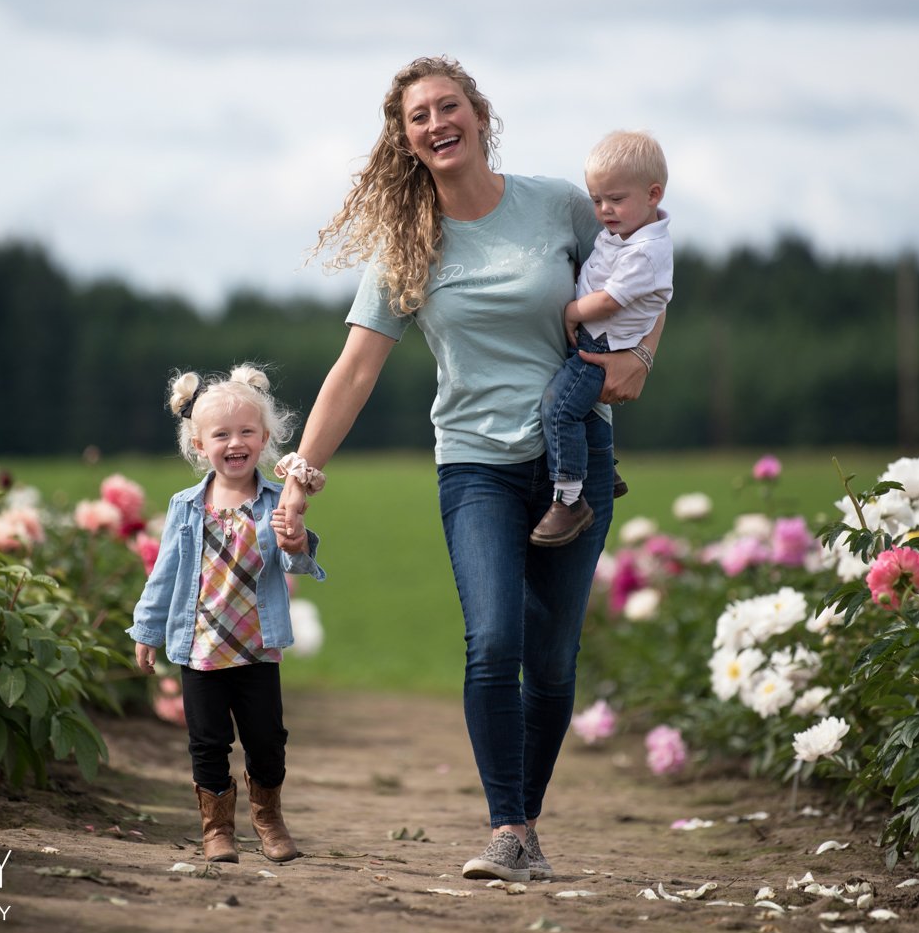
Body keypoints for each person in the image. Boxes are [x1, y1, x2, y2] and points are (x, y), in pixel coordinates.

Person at [274, 56, 664, 882]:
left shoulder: (557, 202)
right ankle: (510, 826)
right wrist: (300, 472)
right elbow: (354, 370)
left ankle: (525, 822)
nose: (436, 123)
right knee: (494, 639)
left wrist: (640, 360)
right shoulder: (408, 245)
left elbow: (645, 274)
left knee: (553, 660)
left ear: (479, 114)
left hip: (577, 457)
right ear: (406, 139)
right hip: (476, 467)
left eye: (448, 106)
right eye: (418, 117)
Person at [128, 364, 325, 866]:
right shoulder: (187, 507)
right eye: (221, 435)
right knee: (208, 743)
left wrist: (297, 540)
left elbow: (296, 559)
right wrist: (147, 631)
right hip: (199, 649)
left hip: (257, 646)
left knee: (267, 740)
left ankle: (268, 818)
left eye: (246, 432)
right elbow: (165, 573)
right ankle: (216, 829)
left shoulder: (280, 500)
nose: (234, 443)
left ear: (264, 439)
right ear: (199, 445)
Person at [530, 129, 673, 547]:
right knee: (582, 408)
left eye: (615, 199)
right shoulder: (628, 233)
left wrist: (571, 311)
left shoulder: (646, 252)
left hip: (601, 348)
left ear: (653, 194)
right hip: (599, 340)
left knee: (559, 409)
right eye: (597, 200)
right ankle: (602, 466)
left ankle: (569, 500)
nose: (605, 210)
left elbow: (610, 301)